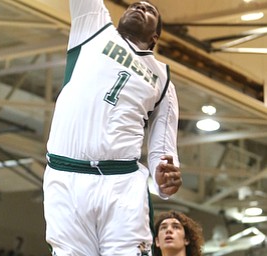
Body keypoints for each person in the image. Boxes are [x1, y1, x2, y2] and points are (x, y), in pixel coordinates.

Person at [43, 0, 182, 255]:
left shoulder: (164, 81)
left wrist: (164, 178)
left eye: (150, 10)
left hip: (121, 185)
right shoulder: (93, 26)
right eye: (135, 5)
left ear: (155, 37)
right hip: (65, 176)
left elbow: (163, 148)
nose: (140, 8)